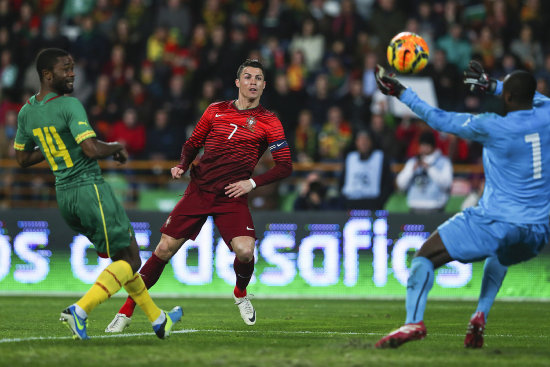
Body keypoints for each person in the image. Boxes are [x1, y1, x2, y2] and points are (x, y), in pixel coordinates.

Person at [105, 59, 293, 332]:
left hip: (232, 194)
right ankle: (125, 312)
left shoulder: (269, 121)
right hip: (200, 189)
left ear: (264, 86)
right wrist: (183, 163)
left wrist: (251, 183)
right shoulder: (215, 111)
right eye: (248, 77)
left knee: (245, 251)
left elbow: (285, 165)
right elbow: (193, 143)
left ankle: (240, 292)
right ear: (237, 82)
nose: (253, 82)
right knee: (164, 249)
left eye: (259, 78)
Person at [373, 60, 550, 348]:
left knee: (425, 256)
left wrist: (401, 92)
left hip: (496, 221)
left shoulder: (493, 126)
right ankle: (480, 314)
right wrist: (492, 84)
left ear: (507, 98)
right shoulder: (547, 114)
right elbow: (532, 95)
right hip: (538, 231)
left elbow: (438, 118)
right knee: (502, 255)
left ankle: (413, 322)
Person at [13, 48, 182, 340]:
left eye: (72, 67)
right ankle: (80, 310)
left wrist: (56, 147)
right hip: (89, 189)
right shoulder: (69, 105)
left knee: (122, 257)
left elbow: (22, 158)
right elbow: (91, 149)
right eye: (66, 68)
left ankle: (158, 319)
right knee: (130, 261)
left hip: (65, 197)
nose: (72, 73)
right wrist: (116, 146)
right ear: (47, 75)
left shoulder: (27, 112)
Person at [395, 130, 453, 214]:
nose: (424, 148)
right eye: (422, 145)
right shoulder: (413, 162)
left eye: (427, 145)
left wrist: (429, 169)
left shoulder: (444, 162)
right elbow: (400, 184)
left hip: (435, 208)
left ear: (432, 146)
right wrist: (411, 170)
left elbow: (446, 184)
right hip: (415, 208)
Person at [340, 130, 394, 210]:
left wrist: (380, 202)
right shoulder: (350, 158)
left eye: (366, 140)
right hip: (351, 202)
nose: (363, 143)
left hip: (373, 203)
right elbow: (342, 182)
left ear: (371, 142)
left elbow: (388, 183)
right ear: (356, 142)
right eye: (360, 140)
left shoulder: (380, 158)